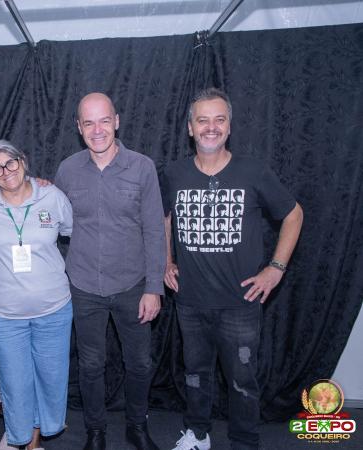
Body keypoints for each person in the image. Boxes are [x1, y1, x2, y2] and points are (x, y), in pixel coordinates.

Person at [163, 88, 303, 450]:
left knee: (242, 382)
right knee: (195, 375)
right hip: (190, 301)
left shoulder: (253, 171)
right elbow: (164, 217)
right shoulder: (174, 173)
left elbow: (293, 214)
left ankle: (244, 441)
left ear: (229, 126)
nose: (211, 127)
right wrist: (166, 260)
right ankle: (198, 434)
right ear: (190, 128)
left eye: (219, 119)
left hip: (240, 303)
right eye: (203, 120)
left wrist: (276, 267)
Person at [55, 92, 166, 450]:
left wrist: (154, 288)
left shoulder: (142, 167)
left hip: (133, 285)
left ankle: (137, 426)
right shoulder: (67, 170)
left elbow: (155, 229)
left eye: (104, 120)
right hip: (84, 286)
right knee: (90, 365)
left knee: (140, 364)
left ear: (116, 121)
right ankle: (95, 431)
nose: (97, 130)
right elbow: (52, 221)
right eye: (88, 123)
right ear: (78, 127)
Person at [0, 140, 74, 450]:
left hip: (53, 311)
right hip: (4, 316)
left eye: (11, 163)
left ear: (23, 161)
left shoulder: (52, 196)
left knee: (51, 379)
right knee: (15, 385)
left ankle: (33, 441)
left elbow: (73, 232)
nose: (6, 172)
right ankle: (21, 439)